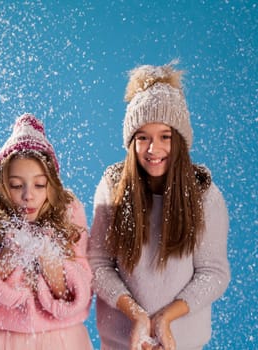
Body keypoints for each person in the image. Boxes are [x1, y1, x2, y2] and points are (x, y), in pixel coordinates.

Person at [88, 62, 230, 350]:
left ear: (180, 140)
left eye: (165, 136)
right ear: (131, 142)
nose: (154, 150)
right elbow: (98, 263)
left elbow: (213, 272)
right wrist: (136, 313)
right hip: (121, 343)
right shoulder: (113, 189)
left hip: (182, 343)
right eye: (143, 138)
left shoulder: (205, 195)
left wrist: (166, 317)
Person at [0, 113, 93, 350]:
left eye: (39, 185)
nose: (27, 195)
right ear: (2, 185)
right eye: (16, 185)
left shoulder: (68, 210)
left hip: (60, 340)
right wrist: (6, 259)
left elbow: (80, 290)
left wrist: (50, 262)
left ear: (51, 185)